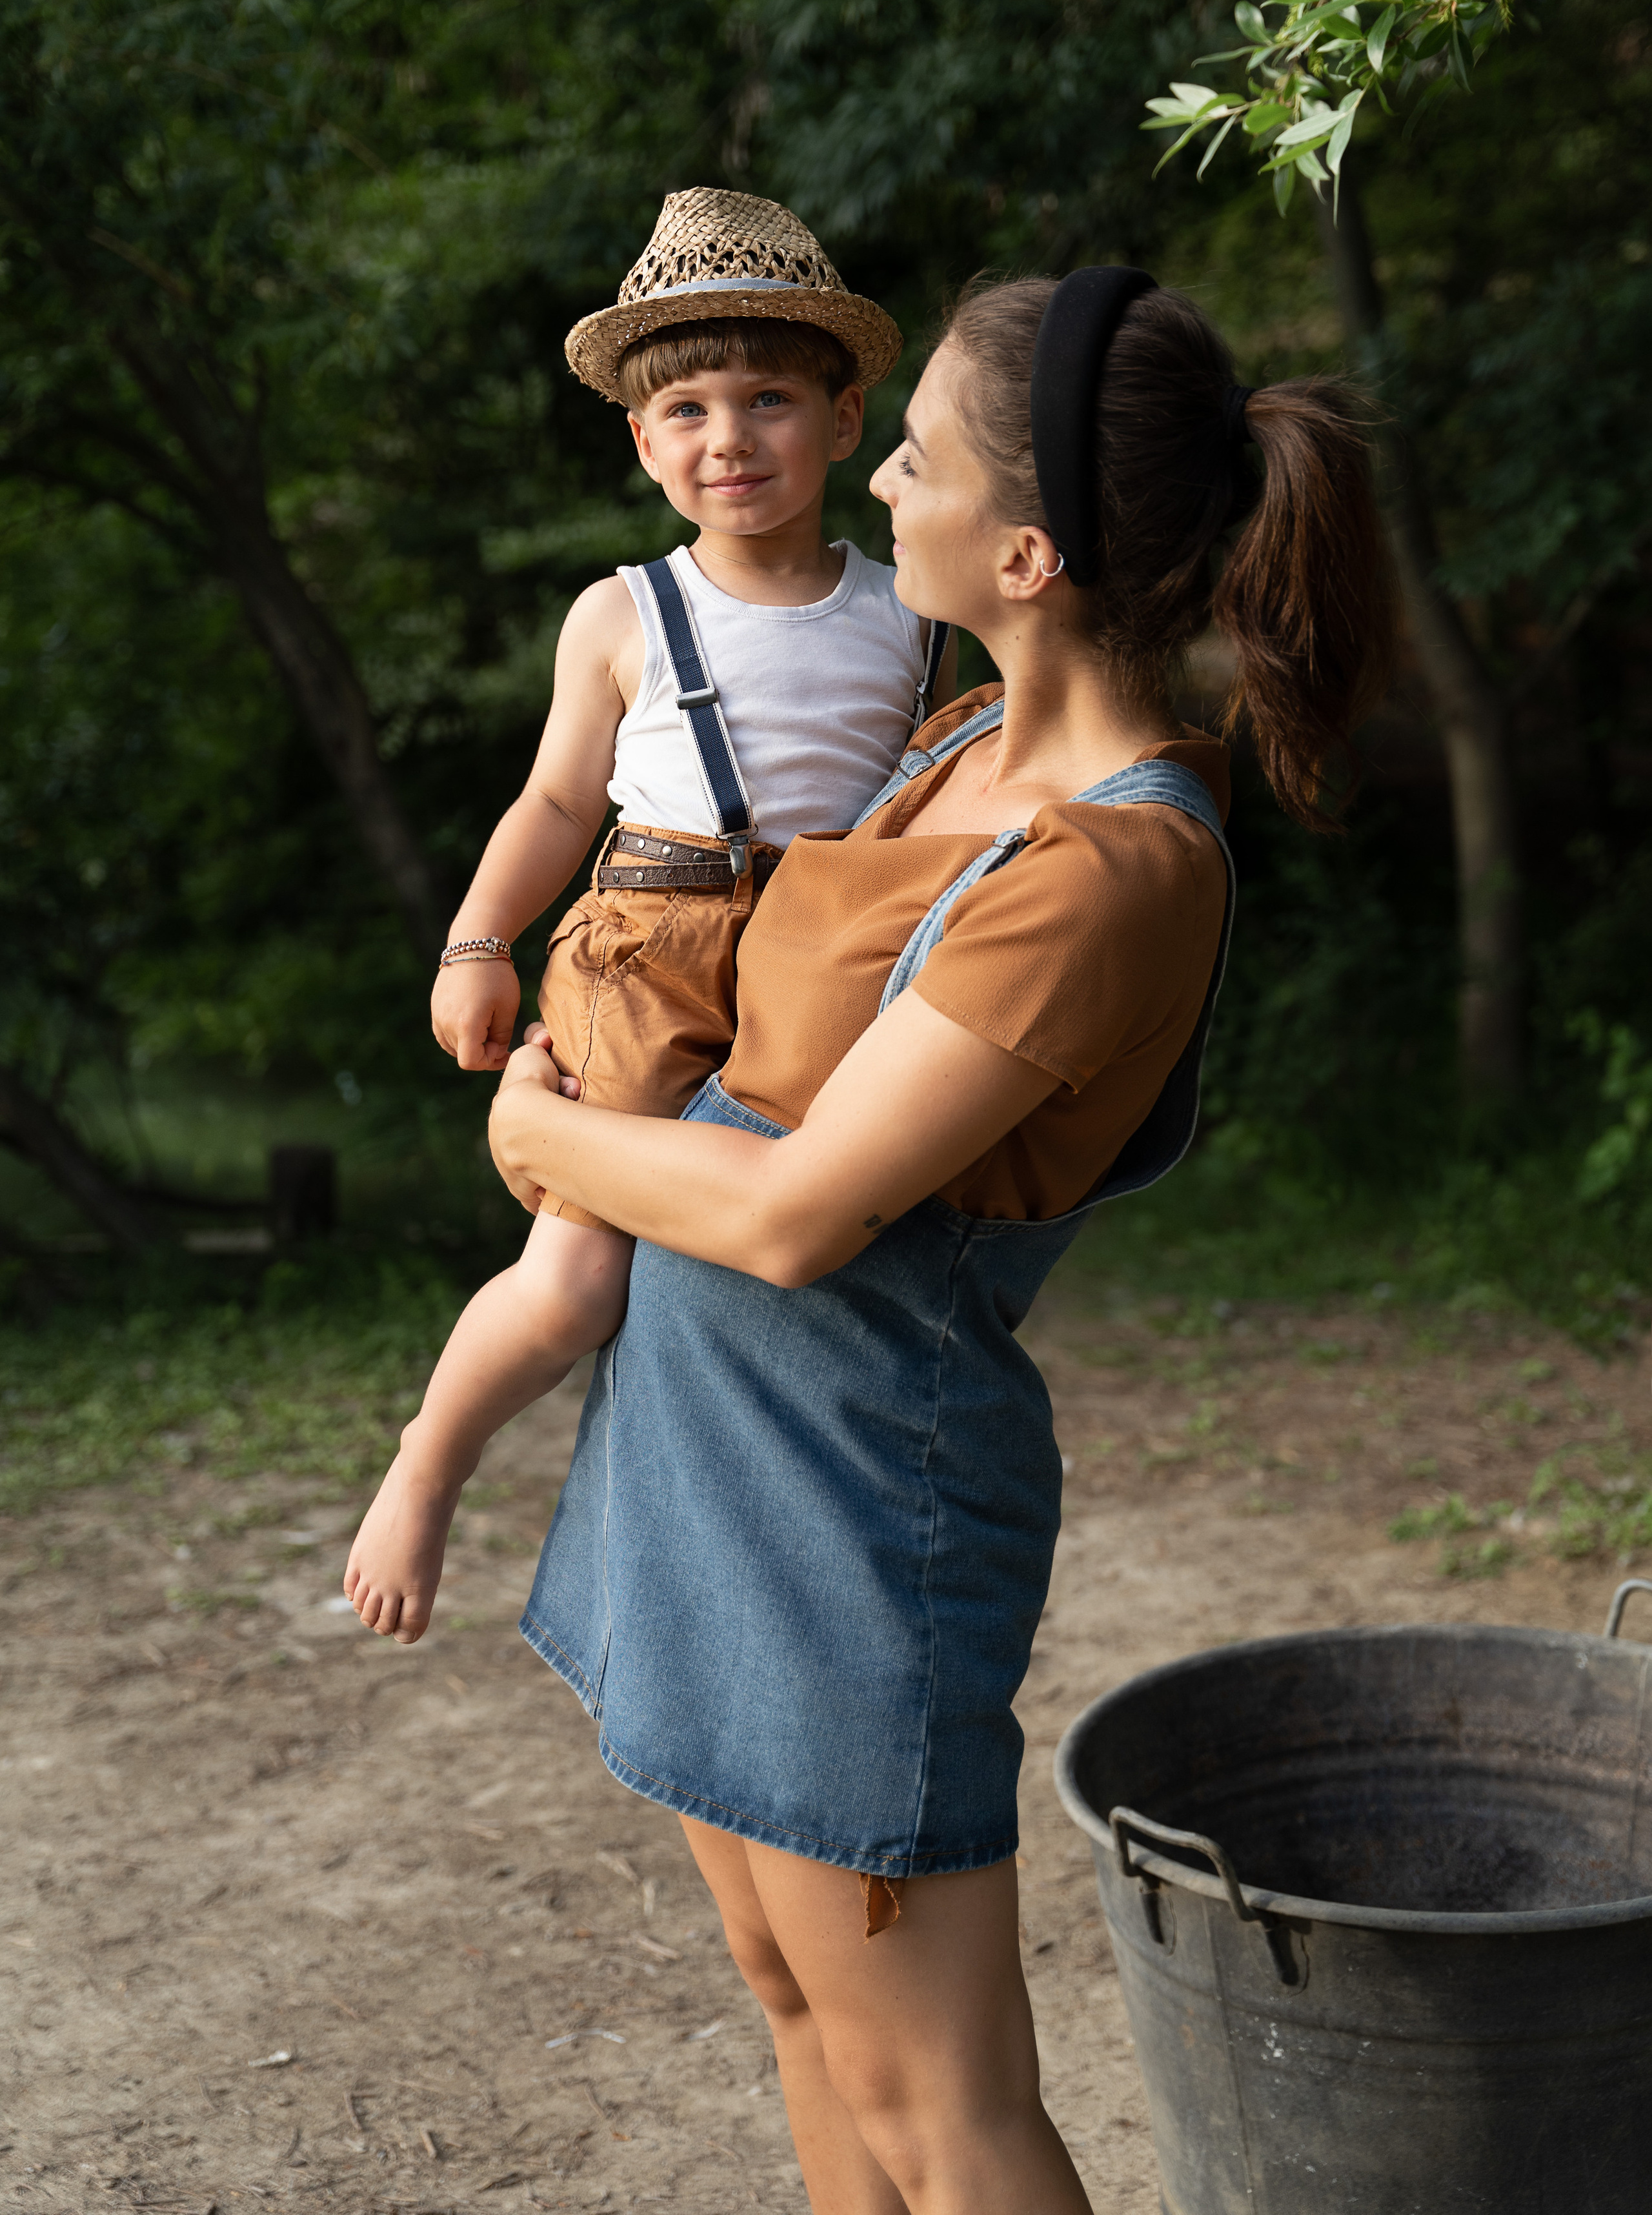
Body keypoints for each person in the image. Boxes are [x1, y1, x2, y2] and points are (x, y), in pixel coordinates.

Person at [355, 265, 1394, 2212]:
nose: (874, 489)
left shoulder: (1113, 862)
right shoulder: (953, 745)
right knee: (794, 2002)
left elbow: (789, 1212)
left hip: (850, 1510)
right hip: (698, 1447)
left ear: (1022, 545)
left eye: (908, 455)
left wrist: (533, 1128)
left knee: (948, 2111)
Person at [344, 189, 951, 1642]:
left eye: (767, 399)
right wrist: (478, 940)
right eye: (683, 407)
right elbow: (555, 805)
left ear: (845, 418)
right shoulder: (622, 614)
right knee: (574, 1283)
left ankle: (766, 1525)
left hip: (824, 957)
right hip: (648, 945)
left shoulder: (909, 610)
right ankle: (428, 1464)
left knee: (805, 1248)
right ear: (640, 440)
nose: (726, 438)